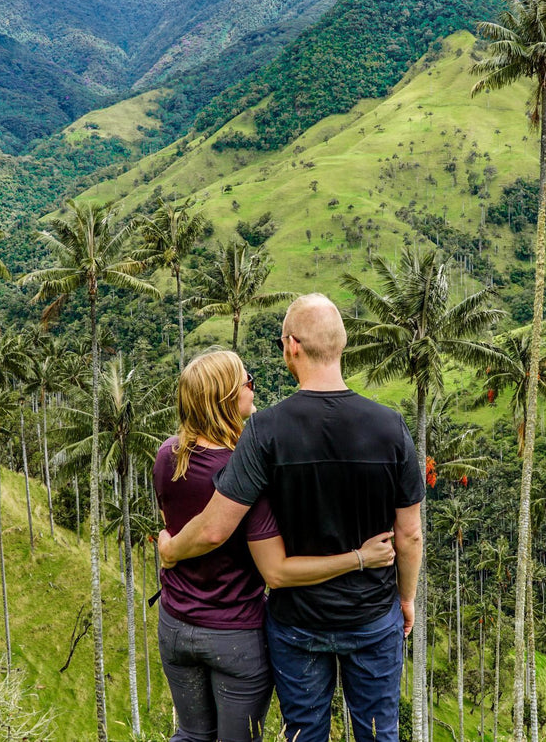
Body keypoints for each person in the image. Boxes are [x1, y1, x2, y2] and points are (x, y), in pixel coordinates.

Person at [160, 294, 425, 742]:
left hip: (297, 621)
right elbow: (410, 534)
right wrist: (405, 598)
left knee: (303, 734)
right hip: (371, 614)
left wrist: (169, 550)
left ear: (291, 347)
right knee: (380, 734)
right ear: (340, 345)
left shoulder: (265, 432)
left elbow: (216, 526)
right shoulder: (390, 425)